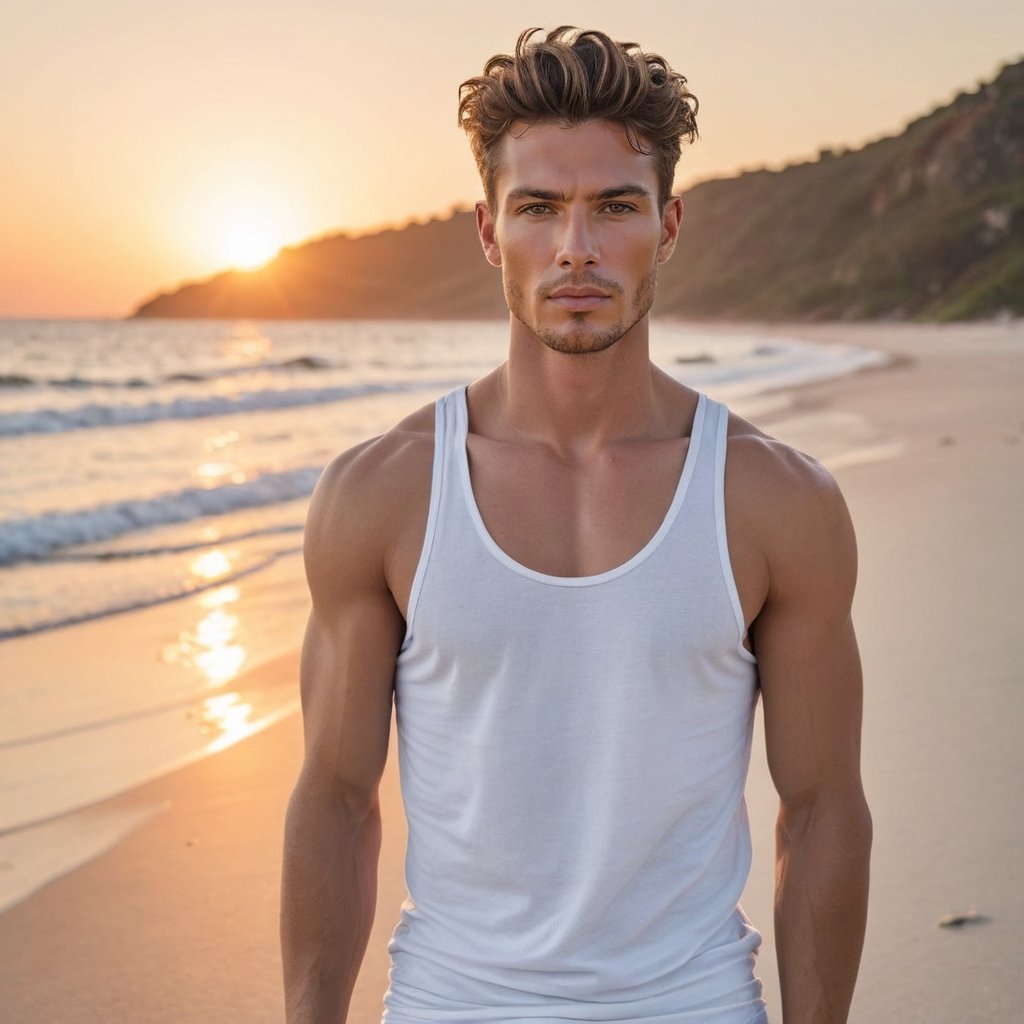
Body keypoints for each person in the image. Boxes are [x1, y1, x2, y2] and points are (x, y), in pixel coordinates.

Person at [281, 26, 872, 1024]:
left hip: (690, 1003)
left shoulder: (775, 501)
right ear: (486, 229)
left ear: (668, 223)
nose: (575, 249)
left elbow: (821, 811)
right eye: (539, 208)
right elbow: (336, 800)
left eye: (613, 206)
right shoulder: (383, 492)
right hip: (448, 1003)